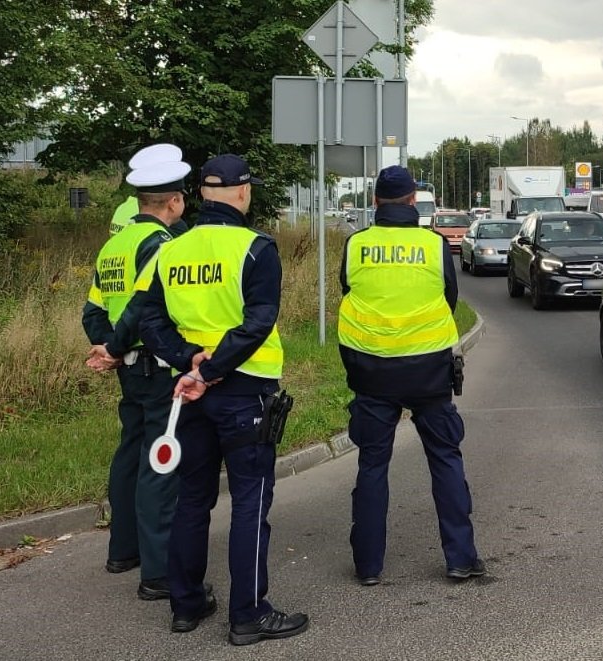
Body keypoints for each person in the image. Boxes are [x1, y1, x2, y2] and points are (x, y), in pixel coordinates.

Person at [138, 154, 308, 646]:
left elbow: (150, 321)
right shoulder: (256, 247)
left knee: (193, 498)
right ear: (243, 192)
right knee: (251, 501)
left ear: (198, 195)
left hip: (187, 393)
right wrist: (210, 369)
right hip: (244, 391)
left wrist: (190, 361)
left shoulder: (169, 251)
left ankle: (186, 605)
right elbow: (257, 323)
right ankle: (249, 614)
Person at [338, 165, 483, 587]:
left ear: (375, 202)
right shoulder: (434, 245)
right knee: (445, 460)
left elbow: (348, 291)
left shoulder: (355, 244)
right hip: (428, 372)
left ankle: (368, 566)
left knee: (371, 466)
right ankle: (460, 558)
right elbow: (449, 299)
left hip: (372, 371)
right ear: (413, 201)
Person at [81, 146, 191, 601]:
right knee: (160, 463)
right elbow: (147, 309)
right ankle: (159, 572)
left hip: (128, 367)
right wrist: (117, 345)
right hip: (155, 365)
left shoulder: (114, 245)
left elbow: (92, 309)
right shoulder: (163, 246)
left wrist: (106, 347)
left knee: (129, 454)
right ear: (174, 202)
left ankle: (122, 550)